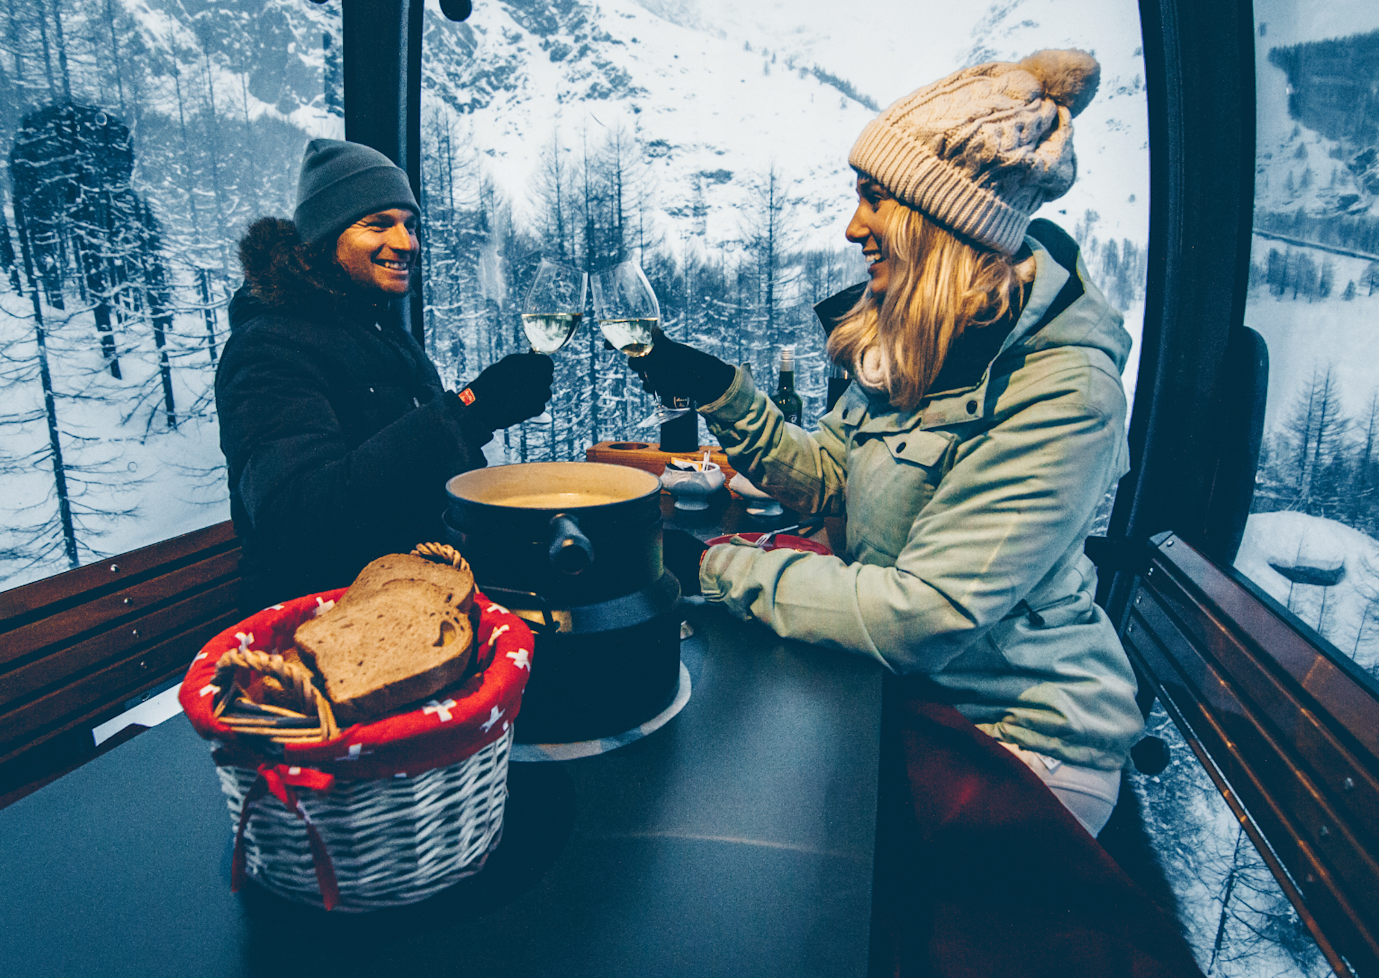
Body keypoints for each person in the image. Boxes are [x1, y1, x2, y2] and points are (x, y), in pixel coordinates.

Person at [650, 50, 1143, 838]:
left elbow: (924, 614)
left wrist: (713, 565)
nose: (854, 227)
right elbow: (827, 480)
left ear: (936, 216)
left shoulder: (1062, 390)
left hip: (1021, 740)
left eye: (873, 199)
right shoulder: (926, 343)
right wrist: (724, 392)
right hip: (920, 694)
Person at [216, 139, 553, 610]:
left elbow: (431, 477)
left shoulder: (385, 335)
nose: (404, 243)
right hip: (329, 618)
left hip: (418, 593)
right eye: (378, 225)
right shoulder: (268, 347)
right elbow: (300, 520)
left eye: (410, 226)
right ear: (325, 235)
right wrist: (469, 411)